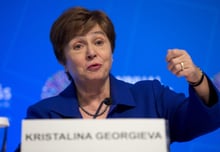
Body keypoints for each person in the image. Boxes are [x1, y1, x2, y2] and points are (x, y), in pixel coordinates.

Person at [15, 6, 220, 151]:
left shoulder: (151, 98)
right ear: (63, 60)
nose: (91, 53)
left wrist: (196, 77)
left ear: (111, 52)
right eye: (78, 46)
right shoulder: (44, 115)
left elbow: (206, 120)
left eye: (99, 42)